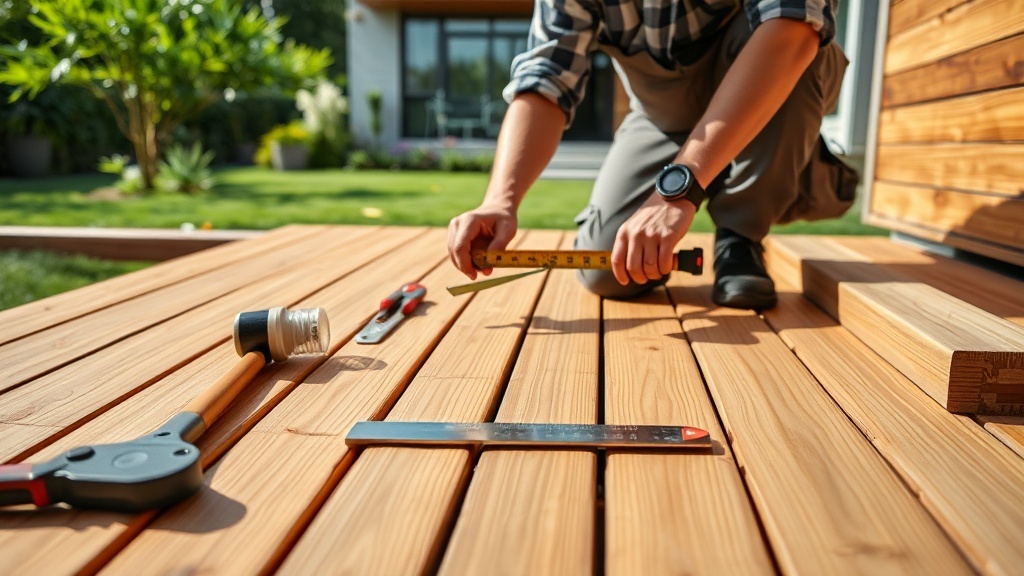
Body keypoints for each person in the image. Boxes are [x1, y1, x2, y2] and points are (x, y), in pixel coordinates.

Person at [447, 0, 858, 309]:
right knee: (609, 270)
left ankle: (742, 234)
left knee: (799, 36)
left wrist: (676, 193)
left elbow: (792, 28)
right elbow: (546, 80)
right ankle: (745, 165)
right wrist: (501, 200)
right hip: (661, 116)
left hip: (757, 86)